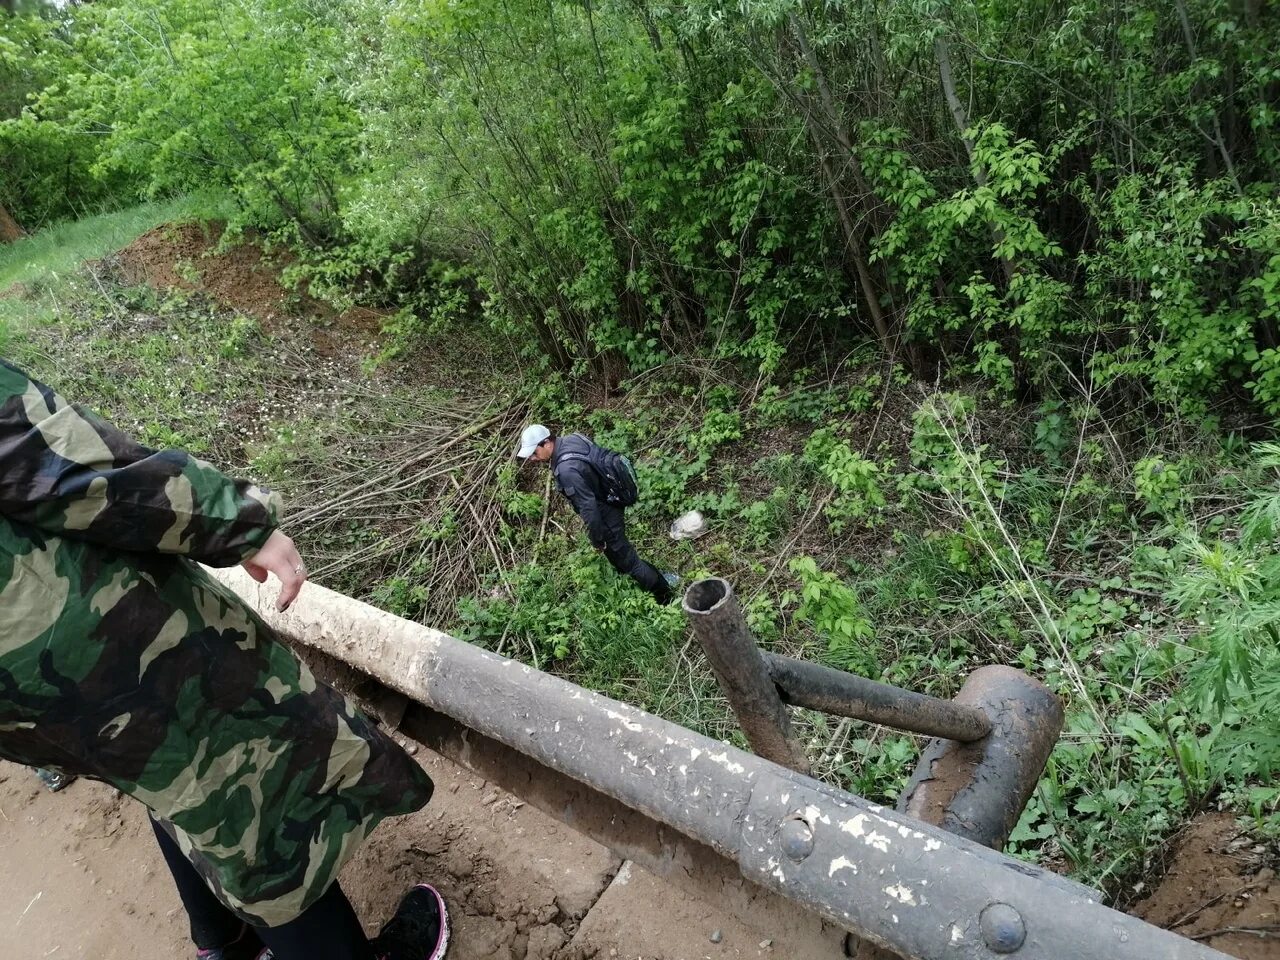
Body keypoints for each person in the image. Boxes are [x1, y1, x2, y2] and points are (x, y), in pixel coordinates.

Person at [0, 359, 449, 960]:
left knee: (165, 775)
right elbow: (63, 467)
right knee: (243, 800)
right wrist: (238, 523)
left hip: (19, 703)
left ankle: (226, 941)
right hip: (83, 640)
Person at [516, 424, 678, 605]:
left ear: (546, 443)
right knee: (623, 558)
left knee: (628, 562)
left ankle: (666, 596)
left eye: (534, 453)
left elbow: (589, 508)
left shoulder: (567, 470)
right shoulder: (572, 438)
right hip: (610, 498)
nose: (532, 458)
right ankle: (658, 580)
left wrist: (598, 539)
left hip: (605, 513)